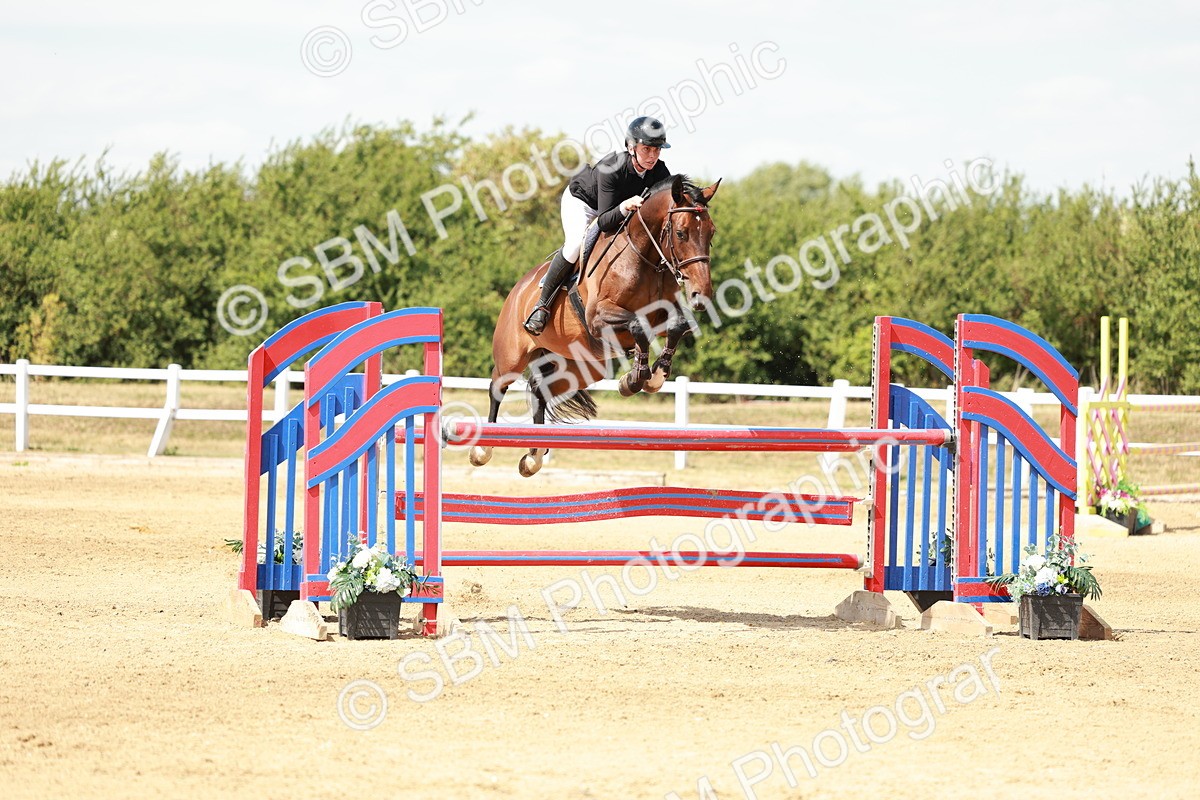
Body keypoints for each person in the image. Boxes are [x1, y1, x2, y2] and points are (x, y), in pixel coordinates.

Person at [523, 116, 673, 335]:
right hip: (585, 202)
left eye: (657, 150)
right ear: (631, 147)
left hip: (619, 208)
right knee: (575, 244)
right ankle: (542, 304)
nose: (653, 156)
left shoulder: (659, 172)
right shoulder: (612, 167)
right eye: (647, 149)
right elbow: (603, 221)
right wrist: (624, 207)